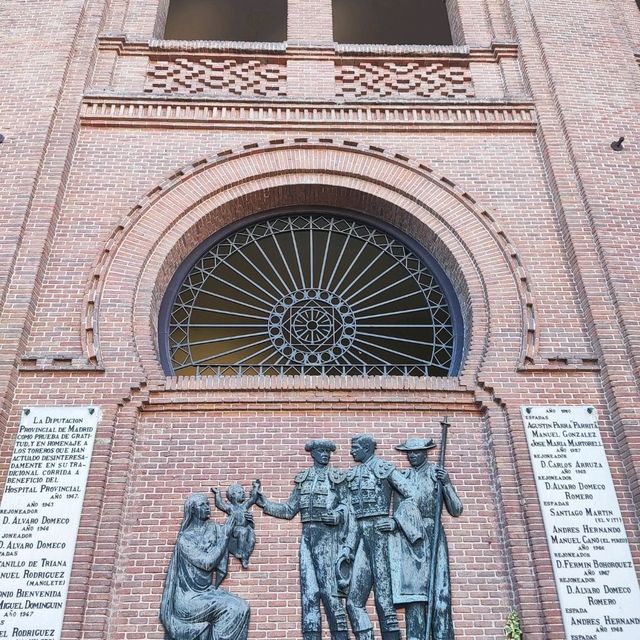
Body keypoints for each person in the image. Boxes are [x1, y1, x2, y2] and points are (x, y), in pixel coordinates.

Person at [256, 439, 350, 640]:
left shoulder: (336, 477)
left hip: (328, 536)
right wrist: (263, 503)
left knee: (330, 592)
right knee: (309, 593)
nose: (325, 454)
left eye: (328, 451)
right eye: (321, 451)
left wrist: (338, 515)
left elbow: (347, 506)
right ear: (313, 454)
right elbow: (289, 510)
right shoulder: (304, 479)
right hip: (307, 536)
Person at [336, 434, 415, 640]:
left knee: (384, 599)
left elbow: (412, 494)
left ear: (367, 449)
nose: (351, 451)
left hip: (381, 535)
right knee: (353, 602)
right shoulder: (353, 474)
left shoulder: (384, 469)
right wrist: (348, 548)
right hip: (361, 535)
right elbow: (353, 515)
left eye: (355, 448)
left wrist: (396, 521)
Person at [394, 437, 463, 640]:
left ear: (426, 453)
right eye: (409, 452)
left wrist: (447, 483)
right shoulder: (403, 477)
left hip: (433, 534)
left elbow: (456, 509)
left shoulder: (436, 474)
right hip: (410, 537)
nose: (412, 455)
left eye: (417, 452)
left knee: (439, 591)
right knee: (414, 595)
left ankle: (442, 635)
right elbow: (398, 511)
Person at [160, 493, 251, 640]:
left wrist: (245, 527)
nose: (208, 508)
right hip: (188, 600)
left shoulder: (213, 528)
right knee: (233, 608)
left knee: (242, 606)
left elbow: (234, 548)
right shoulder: (185, 539)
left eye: (208, 504)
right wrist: (225, 536)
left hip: (206, 593)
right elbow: (207, 563)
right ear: (193, 510)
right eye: (203, 505)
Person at [212, 480, 260, 569]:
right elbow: (220, 504)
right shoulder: (230, 507)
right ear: (233, 495)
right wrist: (217, 494)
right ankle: (239, 551)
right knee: (242, 531)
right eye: (240, 492)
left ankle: (245, 556)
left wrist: (256, 487)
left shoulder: (244, 506)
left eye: (243, 492)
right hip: (235, 530)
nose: (243, 494)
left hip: (244, 528)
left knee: (252, 538)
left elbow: (253, 498)